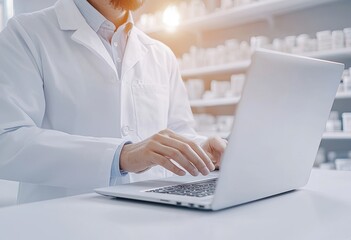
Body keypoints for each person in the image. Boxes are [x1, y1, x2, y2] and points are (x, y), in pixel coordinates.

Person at [0, 0, 227, 203]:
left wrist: (201, 151)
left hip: (149, 221)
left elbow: (178, 132)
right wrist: (121, 156)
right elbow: (6, 141)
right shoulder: (26, 34)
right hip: (64, 223)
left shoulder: (161, 54)